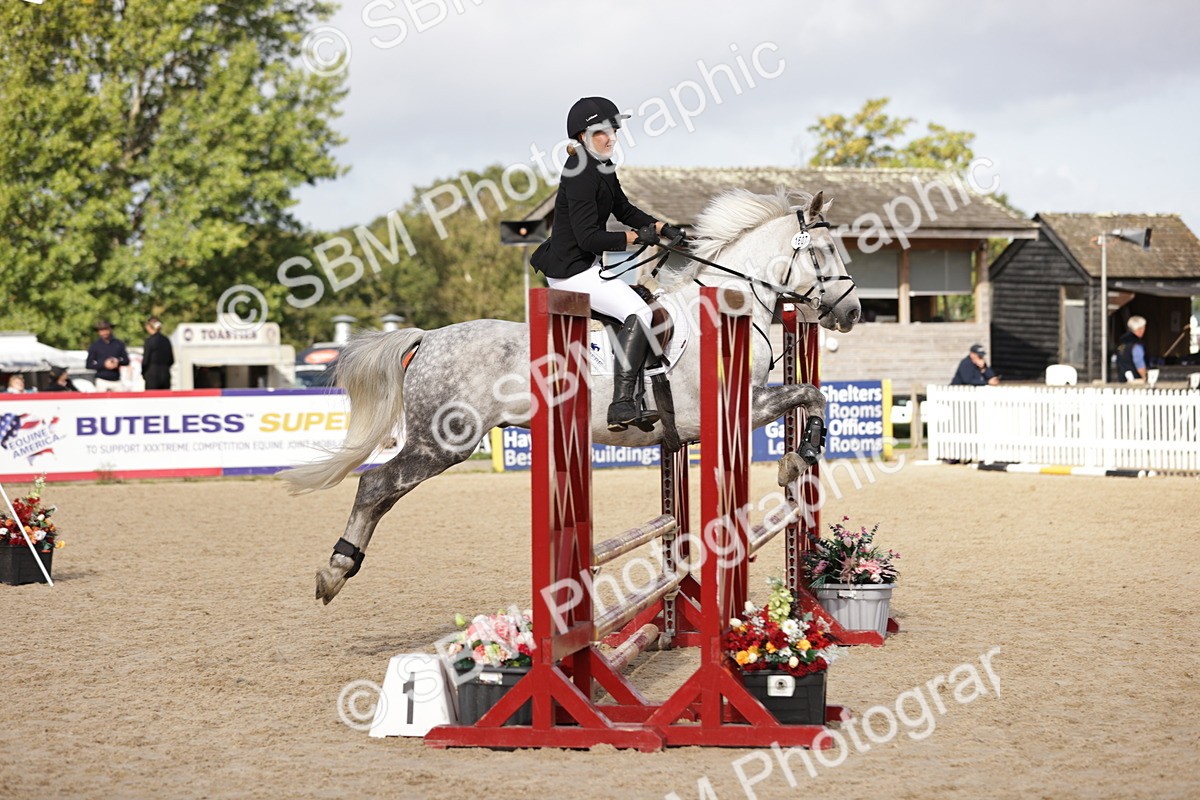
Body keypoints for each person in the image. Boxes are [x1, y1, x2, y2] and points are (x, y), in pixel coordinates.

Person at [530, 96, 682, 431]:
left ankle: (638, 395)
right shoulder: (580, 173)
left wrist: (660, 227)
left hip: (583, 268)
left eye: (614, 129)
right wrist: (634, 238)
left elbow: (624, 209)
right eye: (602, 131)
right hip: (569, 273)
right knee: (640, 313)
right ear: (583, 136)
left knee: (638, 303)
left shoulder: (601, 166)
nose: (611, 136)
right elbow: (587, 238)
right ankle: (621, 404)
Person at [86, 319, 129, 392]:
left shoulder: (118, 344)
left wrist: (117, 362)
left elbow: (126, 361)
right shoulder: (95, 346)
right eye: (101, 330)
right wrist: (104, 364)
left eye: (106, 329)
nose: (104, 332)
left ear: (110, 329)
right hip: (102, 381)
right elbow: (89, 364)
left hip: (116, 380)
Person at [142, 316, 174, 390]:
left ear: (149, 327)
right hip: (165, 375)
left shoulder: (149, 341)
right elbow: (171, 360)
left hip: (152, 376)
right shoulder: (166, 340)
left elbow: (146, 360)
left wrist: (144, 372)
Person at [1115, 315, 1148, 383]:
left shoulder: (1122, 342)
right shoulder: (1136, 344)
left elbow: (1120, 357)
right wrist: (1145, 377)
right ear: (1140, 329)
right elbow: (1139, 363)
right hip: (1135, 380)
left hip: (1122, 379)